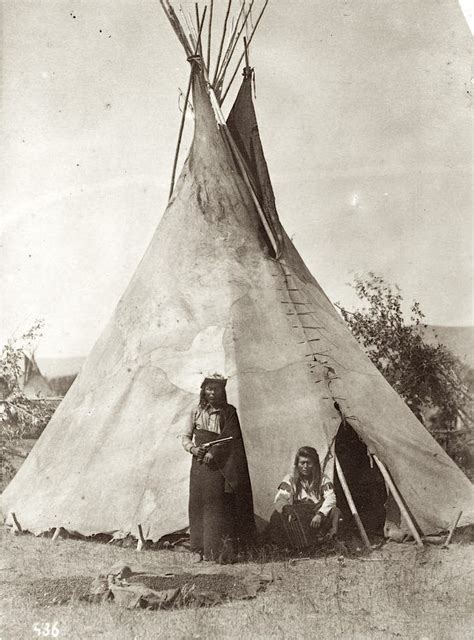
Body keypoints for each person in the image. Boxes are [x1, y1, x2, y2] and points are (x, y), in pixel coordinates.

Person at [182, 375, 256, 562]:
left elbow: (231, 436)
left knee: (216, 506)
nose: (212, 393)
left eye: (216, 389)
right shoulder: (196, 412)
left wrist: (213, 452)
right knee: (198, 504)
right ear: (203, 390)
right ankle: (198, 549)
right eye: (209, 389)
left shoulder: (228, 412)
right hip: (199, 465)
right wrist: (193, 449)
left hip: (218, 466)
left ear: (222, 391)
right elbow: (185, 436)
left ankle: (214, 551)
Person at [269, 445, 341, 549]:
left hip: (316, 516)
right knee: (276, 515)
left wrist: (320, 514)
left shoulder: (323, 479)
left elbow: (331, 498)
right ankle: (286, 547)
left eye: (309, 463)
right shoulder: (290, 478)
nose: (305, 466)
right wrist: (287, 509)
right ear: (297, 464)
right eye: (302, 463)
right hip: (299, 514)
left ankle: (329, 540)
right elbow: (280, 498)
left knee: (335, 511)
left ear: (315, 464)